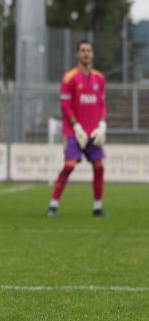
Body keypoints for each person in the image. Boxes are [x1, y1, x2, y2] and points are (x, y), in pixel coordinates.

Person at [47, 39, 107, 217]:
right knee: (70, 165)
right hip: (73, 131)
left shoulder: (100, 78)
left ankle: (97, 207)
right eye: (82, 50)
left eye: (88, 50)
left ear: (92, 54)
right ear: (77, 54)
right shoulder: (69, 78)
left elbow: (102, 104)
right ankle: (53, 205)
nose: (86, 53)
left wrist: (102, 124)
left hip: (93, 132)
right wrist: (77, 127)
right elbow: (65, 106)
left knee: (99, 166)